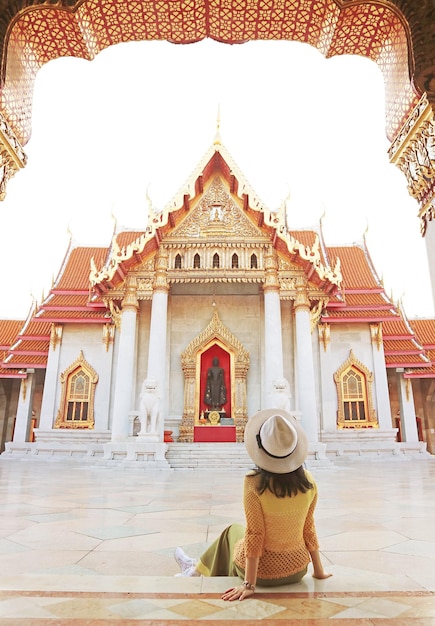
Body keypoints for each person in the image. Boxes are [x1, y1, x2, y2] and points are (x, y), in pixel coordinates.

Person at [174, 408, 332, 601]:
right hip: (297, 569)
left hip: (263, 574)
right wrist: (319, 571)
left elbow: (255, 535)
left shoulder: (254, 483)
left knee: (231, 532)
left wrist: (249, 585)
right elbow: (309, 529)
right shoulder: (309, 481)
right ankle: (196, 567)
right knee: (235, 539)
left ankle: (194, 571)